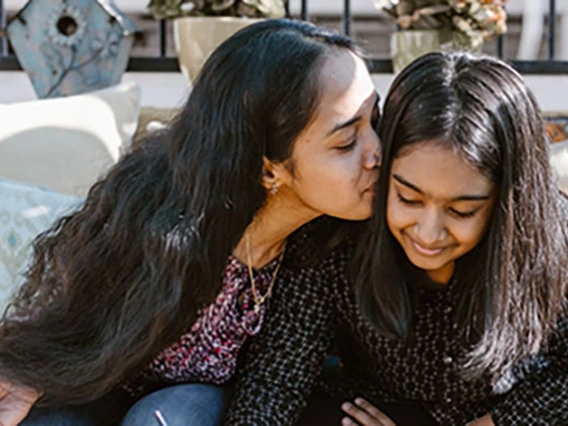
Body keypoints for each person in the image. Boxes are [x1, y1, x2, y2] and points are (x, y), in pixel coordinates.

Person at [0, 19, 381, 426]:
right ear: (268, 168)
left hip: (208, 409)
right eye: (345, 142)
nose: (376, 151)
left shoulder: (334, 243)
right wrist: (28, 376)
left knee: (167, 417)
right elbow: (70, 326)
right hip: (104, 390)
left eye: (376, 120)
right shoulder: (158, 216)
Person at [224, 51, 568, 426]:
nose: (428, 232)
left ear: (509, 201)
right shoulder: (335, 237)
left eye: (462, 211)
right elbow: (276, 379)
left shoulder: (553, 240)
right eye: (408, 198)